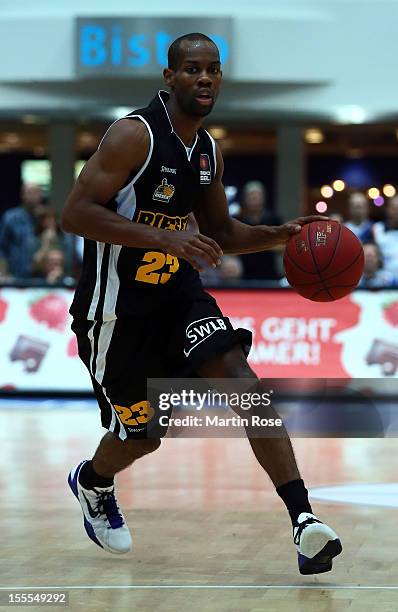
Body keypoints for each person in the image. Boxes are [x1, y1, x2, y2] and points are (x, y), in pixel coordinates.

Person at [62, 33, 342, 575]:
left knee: (244, 383)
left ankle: (303, 520)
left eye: (213, 69)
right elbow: (74, 214)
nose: (205, 78)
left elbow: (219, 231)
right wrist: (166, 238)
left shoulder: (207, 150)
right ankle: (93, 482)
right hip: (116, 313)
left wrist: (279, 234)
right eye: (193, 69)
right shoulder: (132, 136)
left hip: (178, 298)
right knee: (141, 436)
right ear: (170, 78)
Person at [237, 181, 283, 280]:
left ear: (263, 197)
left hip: (269, 273)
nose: (254, 199)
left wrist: (262, 244)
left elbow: (283, 246)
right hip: (244, 275)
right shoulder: (238, 220)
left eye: (257, 196)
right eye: (251, 196)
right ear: (245, 198)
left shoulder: (274, 218)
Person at [0, 182, 43, 279]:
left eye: (36, 192)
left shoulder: (45, 218)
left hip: (40, 277)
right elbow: (1, 247)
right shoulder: (10, 217)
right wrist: (4, 272)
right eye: (30, 192)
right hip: (15, 276)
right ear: (23, 195)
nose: (33, 196)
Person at [372, 196, 398, 276]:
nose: (396, 212)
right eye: (393, 208)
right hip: (382, 282)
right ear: (387, 210)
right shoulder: (376, 228)